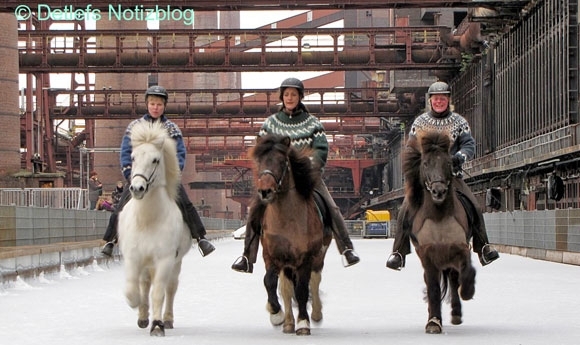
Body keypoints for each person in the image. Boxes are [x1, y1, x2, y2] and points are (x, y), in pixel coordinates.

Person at [231, 77, 360, 273]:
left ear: (300, 97)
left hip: (306, 176)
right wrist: (267, 170)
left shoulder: (313, 123)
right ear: (282, 97)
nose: (290, 98)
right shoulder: (270, 124)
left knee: (331, 207)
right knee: (255, 210)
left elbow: (321, 149)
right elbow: (261, 150)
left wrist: (309, 166)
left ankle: (347, 248)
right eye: (286, 94)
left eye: (294, 94)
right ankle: (247, 257)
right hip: (277, 177)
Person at [385, 81, 500, 270]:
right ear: (430, 101)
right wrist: (420, 165)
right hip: (427, 178)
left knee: (474, 205)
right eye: (436, 99)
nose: (439, 102)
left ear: (448, 100)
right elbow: (411, 147)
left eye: (443, 99)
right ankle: (398, 252)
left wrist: (459, 157)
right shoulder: (420, 123)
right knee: (406, 208)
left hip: (451, 175)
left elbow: (468, 144)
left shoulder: (459, 122)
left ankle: (483, 247)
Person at [101, 85, 215, 258]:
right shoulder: (135, 127)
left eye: (159, 104)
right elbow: (125, 151)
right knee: (122, 204)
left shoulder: (172, 129)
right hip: (140, 176)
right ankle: (110, 239)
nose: (155, 108)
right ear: (147, 104)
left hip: (164, 178)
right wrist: (129, 173)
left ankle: (200, 237)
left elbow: (180, 153)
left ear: (164, 106)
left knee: (185, 203)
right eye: (152, 104)